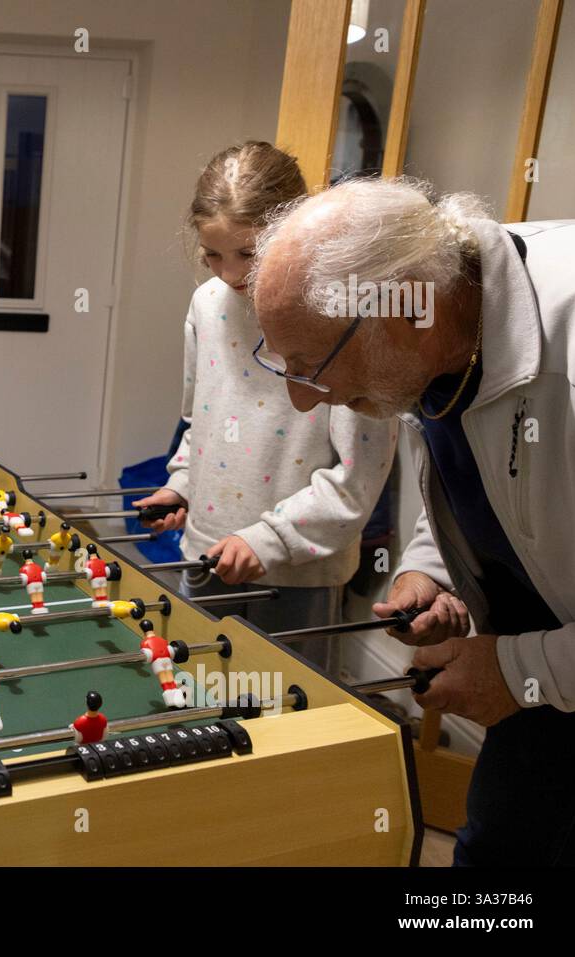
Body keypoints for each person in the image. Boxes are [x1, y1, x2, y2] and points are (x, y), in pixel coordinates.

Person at [250, 175, 575, 865]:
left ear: (408, 311)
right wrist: (434, 571)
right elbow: (484, 470)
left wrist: (523, 667)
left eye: (311, 366)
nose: (305, 400)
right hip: (539, 688)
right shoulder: (434, 333)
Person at [135, 143, 397, 670]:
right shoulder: (207, 305)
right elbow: (199, 424)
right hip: (203, 556)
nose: (229, 273)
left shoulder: (343, 313)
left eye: (249, 253)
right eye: (212, 254)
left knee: (285, 721)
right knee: (196, 700)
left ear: (292, 229)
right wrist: (181, 484)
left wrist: (269, 539)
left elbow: (357, 480)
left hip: (297, 575)